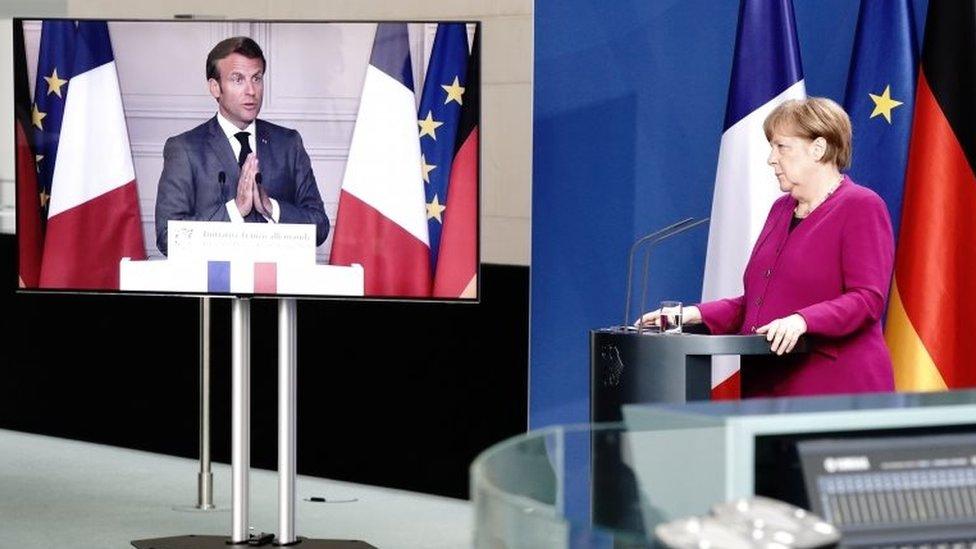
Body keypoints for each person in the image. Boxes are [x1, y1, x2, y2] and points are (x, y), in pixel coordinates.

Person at [640, 97, 895, 397]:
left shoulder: (861, 206)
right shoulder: (780, 209)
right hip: (770, 384)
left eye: (781, 147)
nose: (771, 159)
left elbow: (867, 299)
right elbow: (756, 304)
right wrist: (693, 315)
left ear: (819, 149)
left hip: (834, 389)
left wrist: (803, 320)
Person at [154, 36, 329, 255]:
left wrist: (271, 208)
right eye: (238, 79)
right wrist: (234, 211)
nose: (251, 91)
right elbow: (168, 236)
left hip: (275, 284)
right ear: (215, 87)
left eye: (256, 78)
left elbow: (320, 227)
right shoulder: (184, 149)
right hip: (213, 285)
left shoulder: (289, 144)